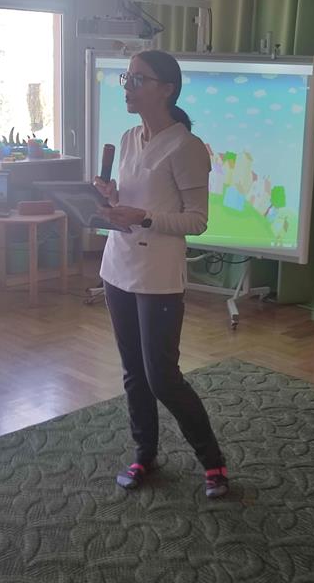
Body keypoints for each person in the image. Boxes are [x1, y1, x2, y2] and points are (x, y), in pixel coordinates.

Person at [94, 50, 228, 499]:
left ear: (167, 89)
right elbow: (131, 204)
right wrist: (111, 199)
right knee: (133, 372)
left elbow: (197, 220)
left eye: (139, 79)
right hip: (117, 266)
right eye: (127, 78)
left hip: (158, 276)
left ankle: (213, 463)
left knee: (162, 377)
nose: (128, 87)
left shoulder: (187, 147)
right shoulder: (129, 137)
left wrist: (146, 217)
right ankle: (144, 454)